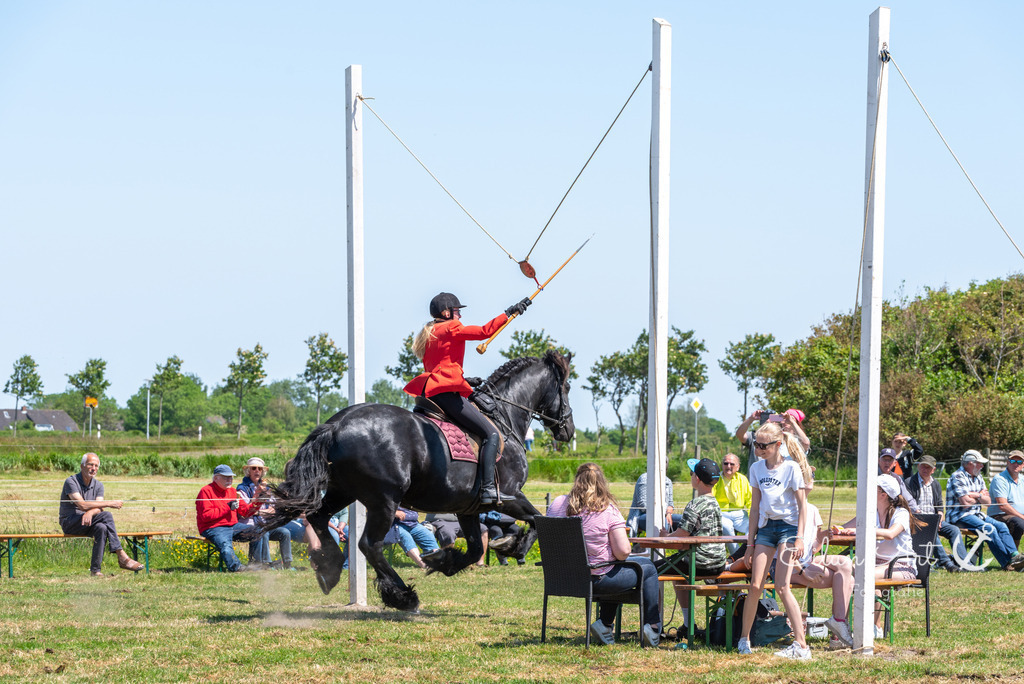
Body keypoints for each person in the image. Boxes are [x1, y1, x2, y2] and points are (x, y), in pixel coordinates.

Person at [404, 291, 531, 504]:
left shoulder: (430, 331)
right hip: (446, 395)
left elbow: (441, 365)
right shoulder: (450, 326)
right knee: (491, 434)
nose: (460, 316)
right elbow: (483, 332)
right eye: (457, 311)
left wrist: (464, 380)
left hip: (431, 391)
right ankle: (488, 489)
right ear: (446, 313)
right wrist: (509, 313)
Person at [548, 462, 662, 648]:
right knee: (647, 568)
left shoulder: (557, 504)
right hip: (596, 580)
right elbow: (623, 552)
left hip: (561, 578)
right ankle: (653, 627)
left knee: (616, 567)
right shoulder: (607, 510)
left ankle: (605, 624)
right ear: (602, 482)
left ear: (576, 480)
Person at [729, 502, 855, 649]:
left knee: (846, 564)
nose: (808, 487)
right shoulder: (785, 510)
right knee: (847, 580)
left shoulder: (813, 510)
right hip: (785, 564)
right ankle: (837, 633)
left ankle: (838, 624)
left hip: (807, 561)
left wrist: (821, 538)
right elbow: (784, 550)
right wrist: (803, 571)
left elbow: (812, 549)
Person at [737, 421, 812, 660]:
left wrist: (800, 538)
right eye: (756, 445)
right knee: (755, 585)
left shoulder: (791, 468)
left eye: (764, 445)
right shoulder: (756, 468)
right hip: (766, 528)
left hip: (788, 528)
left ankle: (801, 645)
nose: (759, 449)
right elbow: (754, 507)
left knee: (781, 586)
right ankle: (744, 639)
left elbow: (803, 507)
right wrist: (750, 544)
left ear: (778, 444)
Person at [834, 474, 925, 637]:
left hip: (902, 567)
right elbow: (844, 527)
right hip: (876, 565)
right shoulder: (870, 512)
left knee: (860, 573)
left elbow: (890, 534)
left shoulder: (901, 513)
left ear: (883, 494)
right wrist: (836, 530)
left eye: (872, 488)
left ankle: (867, 627)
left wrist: (860, 530)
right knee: (846, 572)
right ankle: (843, 625)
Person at [659, 458, 727, 632]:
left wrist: (666, 537)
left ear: (697, 478)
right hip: (718, 562)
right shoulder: (715, 503)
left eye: (691, 473)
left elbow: (681, 535)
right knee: (678, 574)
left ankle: (655, 624)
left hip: (699, 563)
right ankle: (688, 624)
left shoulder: (695, 504)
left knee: (652, 570)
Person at [58, 452, 144, 575]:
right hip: (70, 522)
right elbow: (82, 505)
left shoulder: (98, 485)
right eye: (90, 465)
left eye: (96, 466)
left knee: (101, 527)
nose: (93, 468)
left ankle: (95, 571)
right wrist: (110, 503)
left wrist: (90, 513)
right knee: (107, 515)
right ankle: (121, 555)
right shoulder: (71, 482)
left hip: (88, 522)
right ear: (82, 466)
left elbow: (99, 507)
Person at [945, 450, 1024, 571]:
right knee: (989, 528)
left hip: (976, 514)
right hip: (959, 516)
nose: (982, 466)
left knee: (1001, 526)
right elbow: (965, 503)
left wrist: (974, 495)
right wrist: (980, 495)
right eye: (979, 463)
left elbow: (988, 502)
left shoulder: (978, 476)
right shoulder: (957, 476)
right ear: (970, 463)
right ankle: (1007, 563)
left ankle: (1015, 556)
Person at [905, 454, 976, 572]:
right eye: (923, 466)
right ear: (918, 466)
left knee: (954, 530)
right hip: (917, 520)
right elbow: (908, 505)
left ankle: (965, 563)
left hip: (934, 519)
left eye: (928, 467)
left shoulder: (936, 484)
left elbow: (939, 504)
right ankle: (946, 563)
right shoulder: (909, 482)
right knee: (931, 530)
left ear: (933, 470)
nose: (925, 469)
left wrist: (940, 517)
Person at [196, 464, 264, 572]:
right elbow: (205, 516)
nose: (230, 480)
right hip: (213, 527)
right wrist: (228, 507)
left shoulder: (232, 491)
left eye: (231, 477)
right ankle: (237, 568)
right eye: (226, 477)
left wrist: (259, 501)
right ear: (215, 478)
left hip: (233, 526)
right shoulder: (206, 491)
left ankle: (255, 565)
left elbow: (245, 512)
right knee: (226, 547)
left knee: (257, 531)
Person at [236, 457, 298, 569]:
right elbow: (245, 511)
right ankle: (266, 564)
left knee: (284, 532)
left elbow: (273, 510)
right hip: (249, 524)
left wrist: (258, 512)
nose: (257, 471)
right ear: (248, 471)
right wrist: (260, 510)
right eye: (254, 468)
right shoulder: (242, 489)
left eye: (260, 469)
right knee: (262, 532)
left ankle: (287, 564)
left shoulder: (267, 488)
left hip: (265, 523)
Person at [734, 408, 810, 471]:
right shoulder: (758, 437)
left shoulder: (797, 441)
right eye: (783, 418)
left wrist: (792, 422)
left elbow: (806, 443)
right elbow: (740, 435)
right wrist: (751, 419)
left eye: (788, 419)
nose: (785, 421)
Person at [712, 452, 751, 553]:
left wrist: (753, 516)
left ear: (737, 467)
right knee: (727, 527)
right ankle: (736, 556)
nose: (728, 466)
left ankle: (747, 553)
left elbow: (750, 499)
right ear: (722, 465)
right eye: (726, 463)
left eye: (732, 464)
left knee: (753, 527)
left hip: (740, 514)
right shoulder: (716, 478)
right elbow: (710, 497)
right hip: (722, 513)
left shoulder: (743, 479)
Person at [625, 471, 682, 536]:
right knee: (661, 521)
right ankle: (661, 541)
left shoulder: (668, 480)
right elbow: (642, 505)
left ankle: (679, 541)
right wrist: (662, 513)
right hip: (641, 515)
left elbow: (670, 504)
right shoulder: (644, 478)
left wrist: (668, 513)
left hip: (663, 514)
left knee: (683, 520)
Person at [987, 449, 1024, 549]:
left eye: (1019, 462)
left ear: (1023, 464)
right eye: (1012, 461)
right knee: (1019, 523)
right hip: (999, 515)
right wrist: (1022, 517)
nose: (1016, 464)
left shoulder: (1022, 479)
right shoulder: (1000, 479)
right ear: (1007, 462)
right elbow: (1003, 506)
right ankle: (1012, 555)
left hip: (1018, 516)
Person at [878, 448, 920, 513]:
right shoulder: (871, 477)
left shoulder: (896, 478)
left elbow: (907, 498)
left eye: (890, 460)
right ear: (878, 461)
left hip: (892, 512)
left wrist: (916, 510)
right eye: (884, 459)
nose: (887, 463)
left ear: (895, 463)